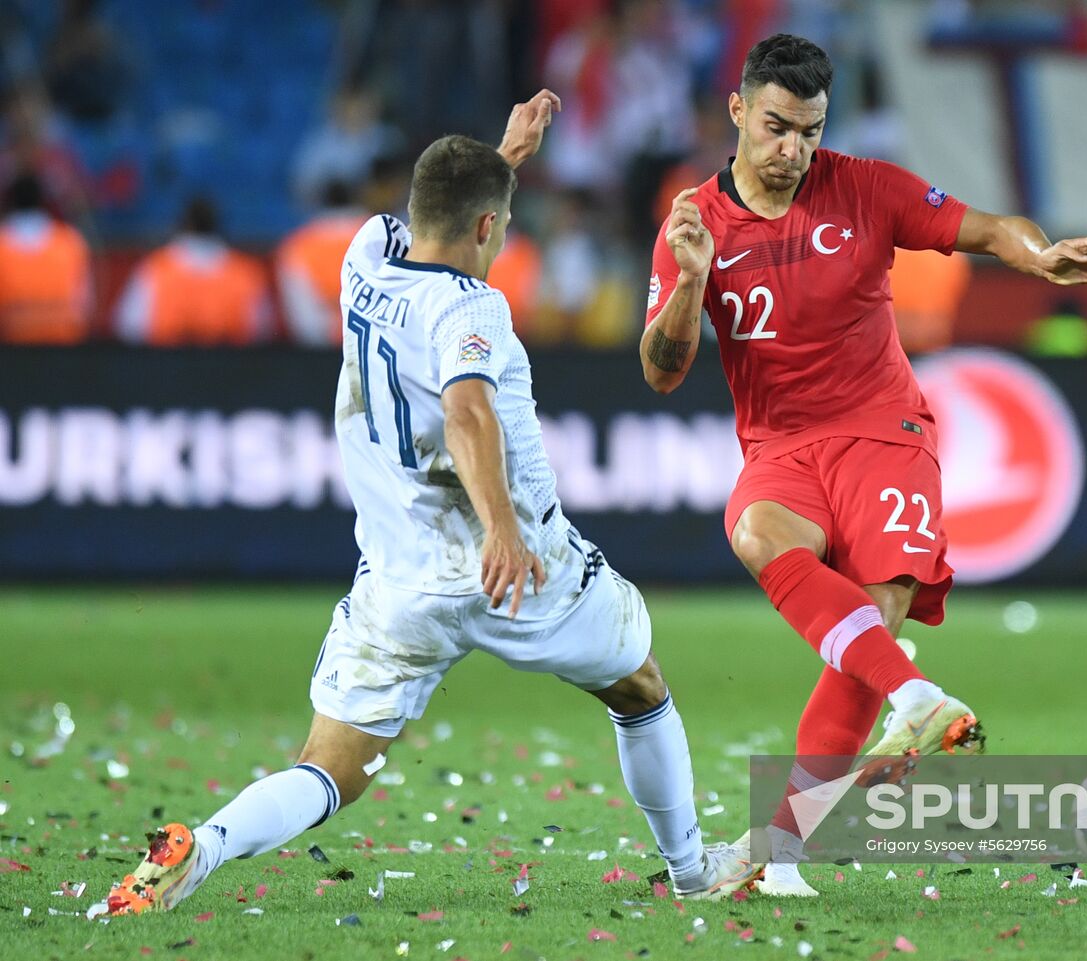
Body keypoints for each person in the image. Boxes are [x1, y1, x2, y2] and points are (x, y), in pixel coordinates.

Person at [105, 89, 757, 918]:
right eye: (503, 221)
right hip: (515, 565)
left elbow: (444, 211)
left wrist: (505, 159)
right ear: (489, 228)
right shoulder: (471, 307)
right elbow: (468, 410)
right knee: (639, 686)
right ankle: (693, 867)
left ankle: (207, 847)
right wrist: (503, 530)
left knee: (329, 767)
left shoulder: (363, 255)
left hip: (400, 578)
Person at [640, 34, 1087, 896]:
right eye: (777, 127)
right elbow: (663, 370)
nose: (793, 150)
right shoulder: (692, 221)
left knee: (870, 619)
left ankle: (782, 854)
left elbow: (983, 227)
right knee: (754, 528)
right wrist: (688, 282)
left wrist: (1038, 252)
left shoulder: (864, 187)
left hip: (883, 429)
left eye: (810, 131)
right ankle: (916, 697)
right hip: (781, 446)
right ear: (738, 113)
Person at [114, 198, 273, 346]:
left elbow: (129, 328)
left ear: (183, 224)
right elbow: (262, 332)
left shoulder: (154, 269)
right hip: (227, 370)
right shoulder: (246, 274)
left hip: (166, 369)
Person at [0, 170, 92, 344]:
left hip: (10, 356)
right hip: (63, 352)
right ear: (43, 202)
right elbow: (85, 306)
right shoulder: (70, 241)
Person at [276, 180, 366, 346]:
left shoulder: (298, 245)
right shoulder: (381, 235)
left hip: (322, 348)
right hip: (374, 341)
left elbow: (302, 314)